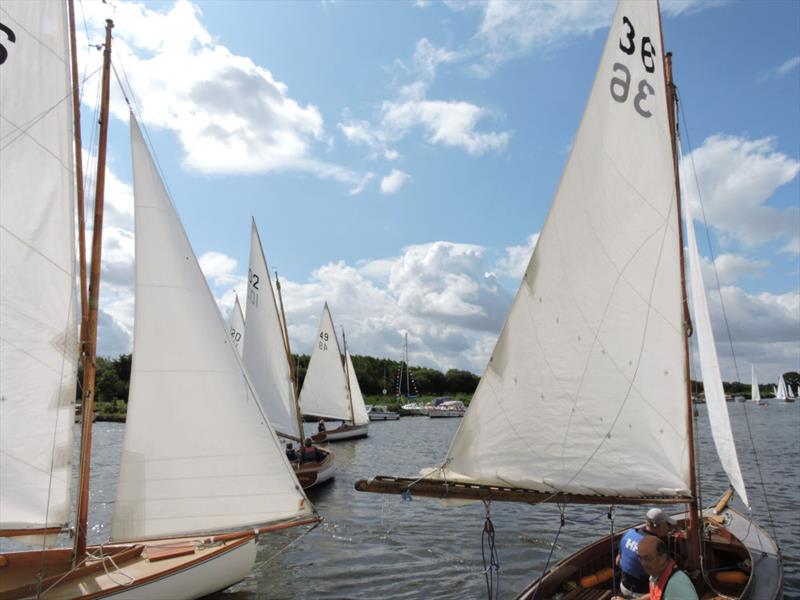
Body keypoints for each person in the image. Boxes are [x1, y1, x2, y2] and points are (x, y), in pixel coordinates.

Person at [617, 508, 676, 597]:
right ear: (657, 526)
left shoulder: (628, 534)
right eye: (666, 524)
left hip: (624, 587)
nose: (668, 528)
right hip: (643, 594)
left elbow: (618, 561)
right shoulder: (655, 545)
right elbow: (665, 576)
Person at [637, 535, 698, 600]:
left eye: (647, 558)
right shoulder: (655, 572)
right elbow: (658, 593)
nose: (643, 563)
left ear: (662, 558)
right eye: (640, 558)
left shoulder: (677, 585)